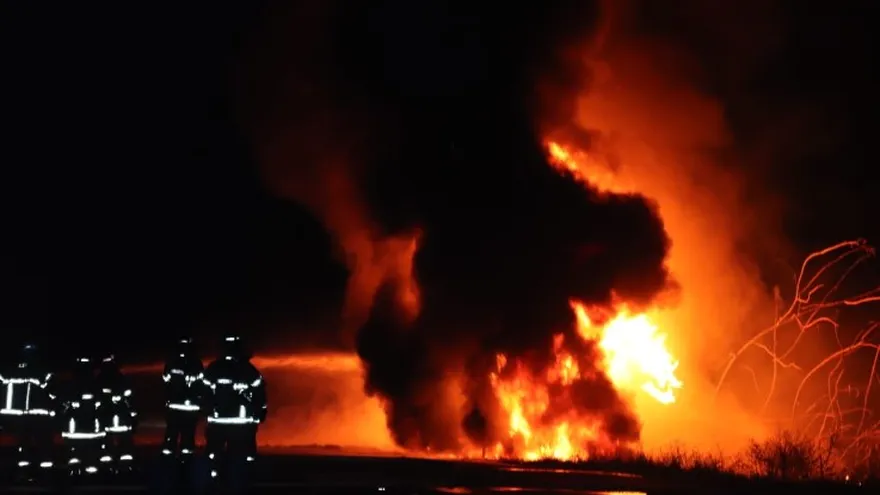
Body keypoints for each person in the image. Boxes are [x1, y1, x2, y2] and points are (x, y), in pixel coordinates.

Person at [202, 335, 267, 481]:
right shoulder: (249, 370)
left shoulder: (213, 369)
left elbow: (204, 393)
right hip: (242, 423)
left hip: (218, 422)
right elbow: (259, 393)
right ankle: (241, 479)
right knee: (242, 455)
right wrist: (261, 411)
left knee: (215, 453)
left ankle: (213, 478)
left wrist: (207, 410)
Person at [0, 343, 58, 478]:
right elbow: (53, 394)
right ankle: (45, 474)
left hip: (16, 416)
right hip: (39, 416)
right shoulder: (44, 372)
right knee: (43, 445)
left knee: (22, 445)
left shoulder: (10, 371)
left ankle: (23, 472)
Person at [60, 357, 106, 476]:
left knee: (77, 450)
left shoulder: (72, 385)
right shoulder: (95, 384)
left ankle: (77, 469)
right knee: (88, 450)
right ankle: (87, 470)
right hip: (87, 426)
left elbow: (64, 402)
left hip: (77, 427)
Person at [161, 337, 204, 461]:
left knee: (172, 435)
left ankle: (168, 462)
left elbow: (166, 380)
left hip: (175, 406)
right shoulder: (197, 363)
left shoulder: (172, 363)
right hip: (190, 408)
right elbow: (202, 384)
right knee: (187, 436)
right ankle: (186, 461)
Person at [96, 353, 137, 471]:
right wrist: (133, 418)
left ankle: (108, 465)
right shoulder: (122, 379)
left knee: (109, 444)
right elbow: (130, 399)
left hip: (108, 420)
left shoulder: (99, 380)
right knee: (123, 444)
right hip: (120, 419)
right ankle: (124, 465)